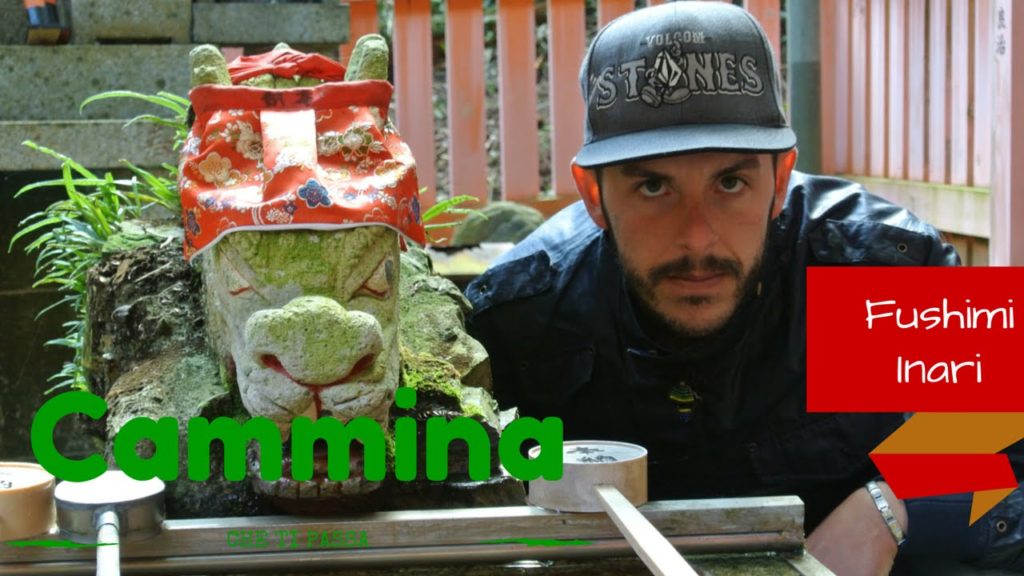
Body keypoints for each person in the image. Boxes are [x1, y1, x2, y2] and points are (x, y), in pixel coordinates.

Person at [465, 3, 1024, 575]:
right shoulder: (526, 321)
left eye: (730, 182)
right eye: (654, 187)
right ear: (594, 194)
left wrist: (890, 507)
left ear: (780, 180)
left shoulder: (868, 274)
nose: (697, 238)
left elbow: (1004, 427)